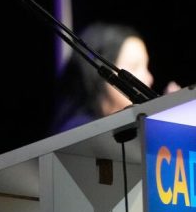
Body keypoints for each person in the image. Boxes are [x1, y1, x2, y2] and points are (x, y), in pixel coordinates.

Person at [48, 22, 180, 135]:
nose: (149, 77)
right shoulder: (78, 132)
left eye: (146, 66)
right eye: (134, 66)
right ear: (102, 73)